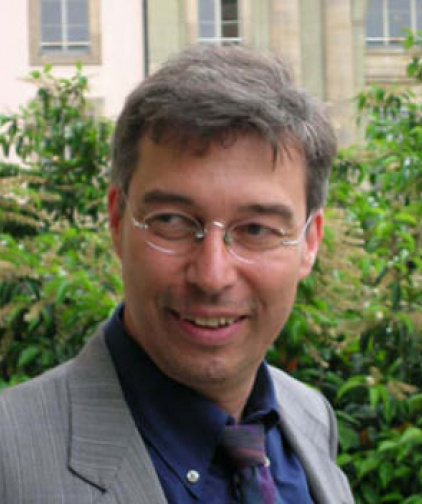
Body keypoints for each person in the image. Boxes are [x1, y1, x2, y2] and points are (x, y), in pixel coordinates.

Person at [0, 44, 354, 504]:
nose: (212, 275)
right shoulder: (10, 459)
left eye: (255, 229)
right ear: (116, 221)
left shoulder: (310, 417)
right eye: (171, 221)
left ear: (309, 242)